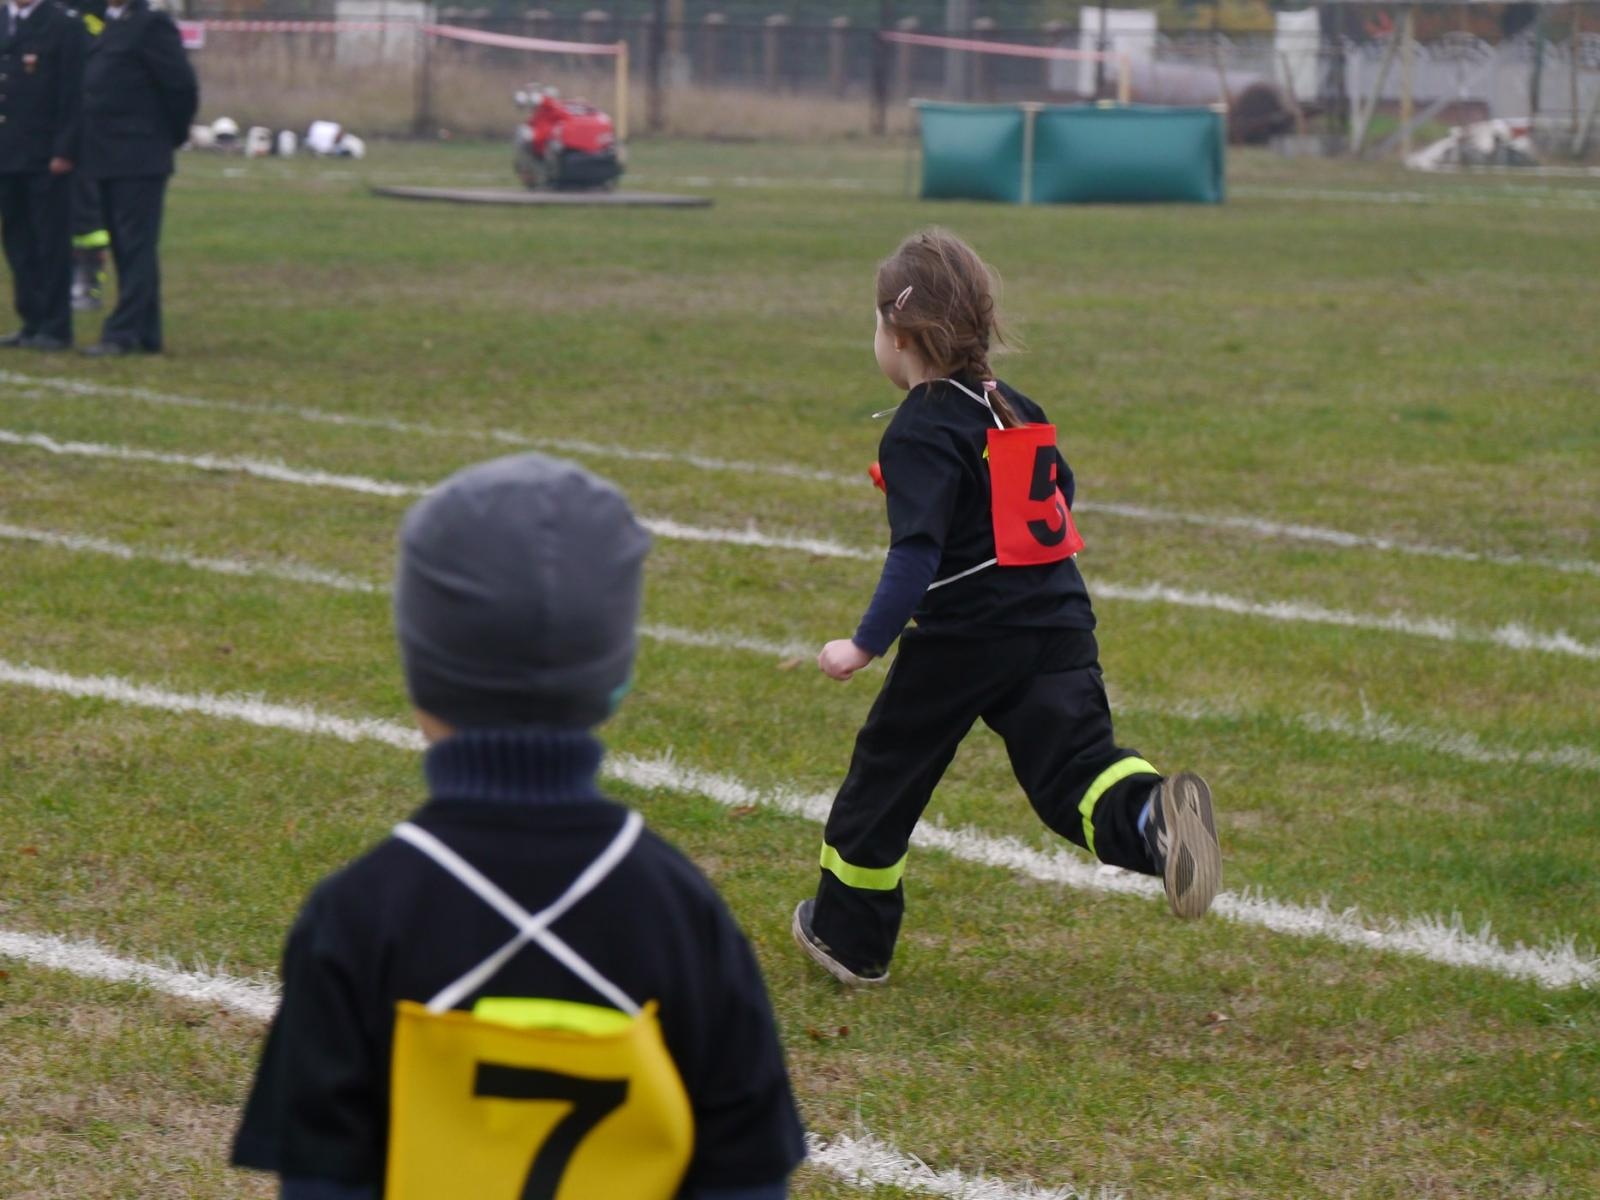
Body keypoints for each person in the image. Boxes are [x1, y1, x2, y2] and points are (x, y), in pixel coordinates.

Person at [232, 453, 807, 1200]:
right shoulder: (682, 912)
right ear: (618, 675)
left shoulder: (356, 916)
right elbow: (747, 1181)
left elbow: (322, 1182)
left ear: (418, 669)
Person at [792, 228, 1222, 987]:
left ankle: (847, 937)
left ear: (901, 336)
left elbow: (916, 555)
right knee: (1075, 772)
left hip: (965, 637)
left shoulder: (920, 426)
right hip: (1057, 624)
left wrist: (863, 645)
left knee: (887, 775)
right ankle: (1157, 821)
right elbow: (1064, 489)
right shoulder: (1014, 404)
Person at [77, 0, 195, 356]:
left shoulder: (151, 25)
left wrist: (166, 136)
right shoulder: (112, 22)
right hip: (108, 155)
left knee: (136, 245)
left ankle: (122, 333)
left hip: (139, 155)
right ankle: (147, 332)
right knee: (127, 248)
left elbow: (181, 87)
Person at [0, 0, 86, 351]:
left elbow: (74, 92)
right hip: (6, 153)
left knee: (49, 241)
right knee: (17, 241)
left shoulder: (63, 23)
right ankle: (31, 318)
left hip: (45, 154)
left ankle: (55, 325)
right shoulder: (4, 19)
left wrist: (65, 149)